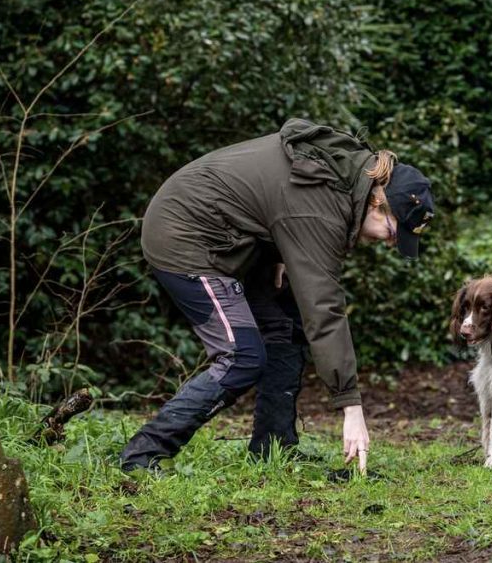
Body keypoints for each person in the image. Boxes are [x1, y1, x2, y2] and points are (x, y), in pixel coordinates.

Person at [119, 118, 435, 474]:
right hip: (186, 238)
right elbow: (324, 308)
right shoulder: (320, 204)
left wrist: (281, 252)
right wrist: (351, 407)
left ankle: (273, 446)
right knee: (242, 356)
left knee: (285, 323)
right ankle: (142, 455)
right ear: (378, 201)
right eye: (393, 232)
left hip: (237, 241)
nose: (390, 243)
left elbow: (276, 204)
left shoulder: (343, 175)